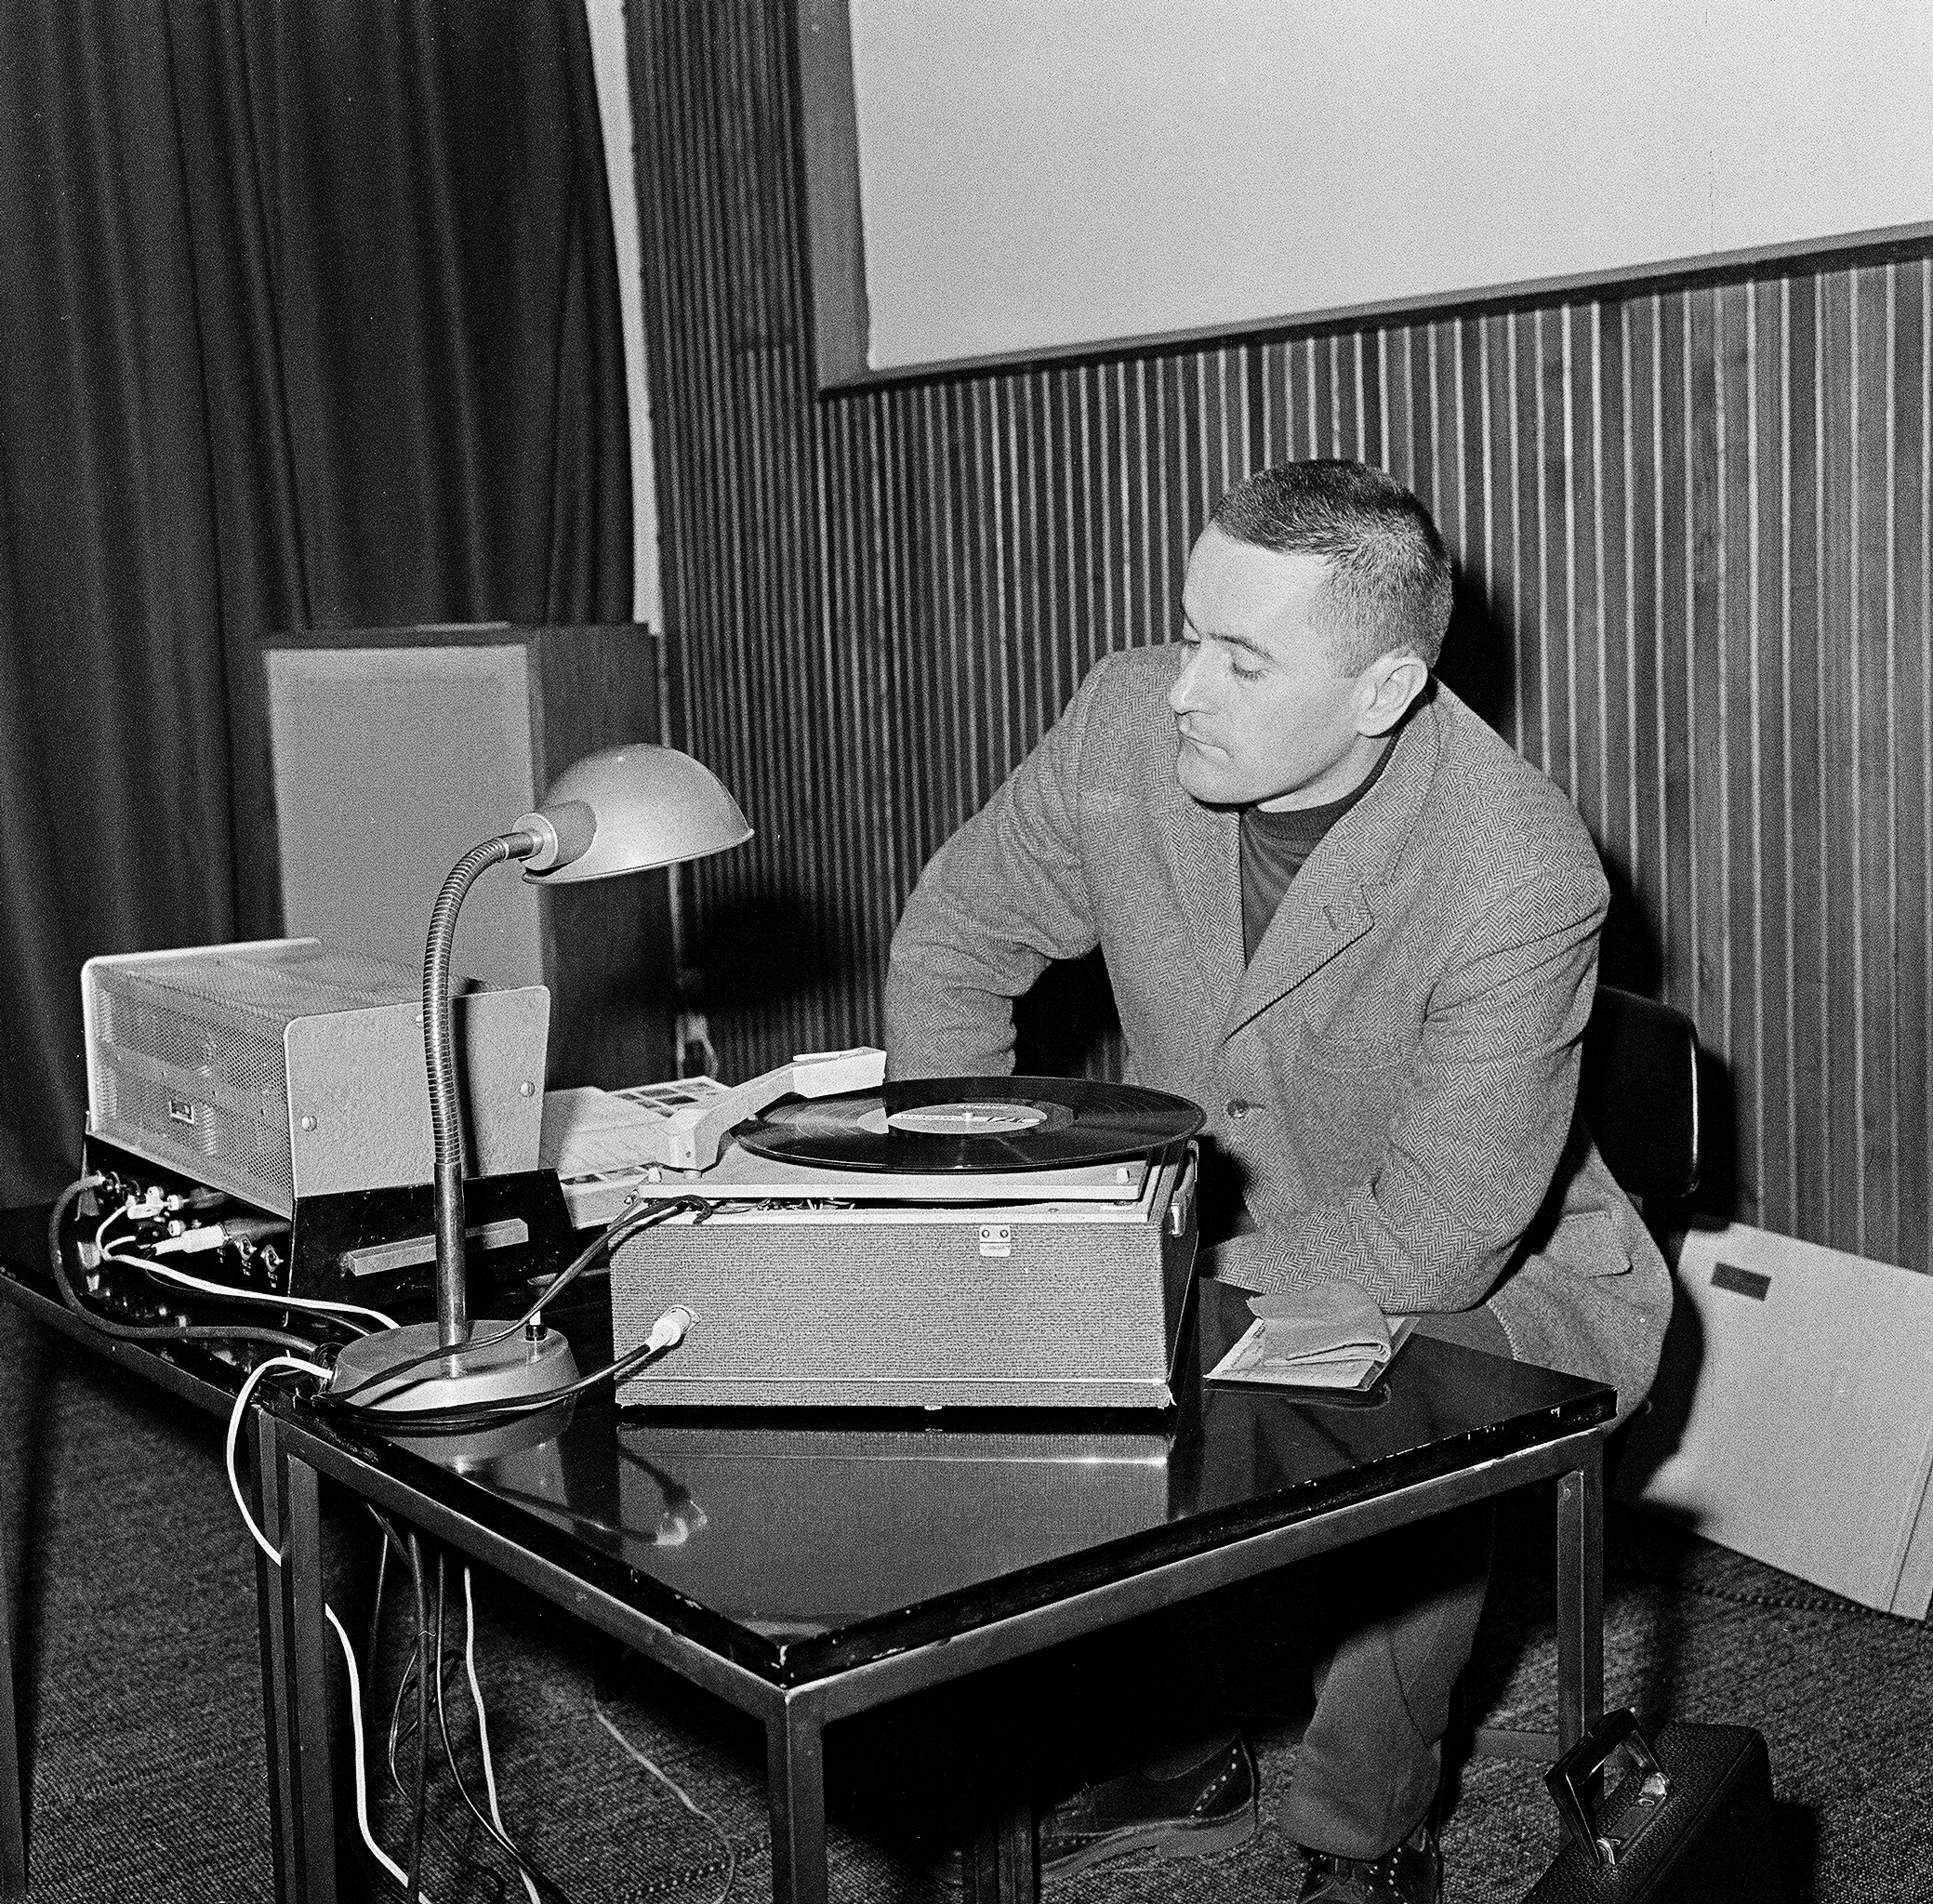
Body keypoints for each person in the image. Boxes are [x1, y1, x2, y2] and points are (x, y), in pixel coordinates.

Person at [884, 459, 1671, 1904]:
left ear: (1382, 692)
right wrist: (974, 1206)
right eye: (1190, 631)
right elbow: (955, 945)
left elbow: (1441, 1238)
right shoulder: (1123, 721)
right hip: (1215, 1217)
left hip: (1494, 1266)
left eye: (1242, 659)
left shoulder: (1516, 866)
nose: (1185, 688)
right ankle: (1188, 1743)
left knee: (1403, 1397)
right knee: (1025, 1358)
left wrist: (1126, 1279)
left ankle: (1364, 1825)